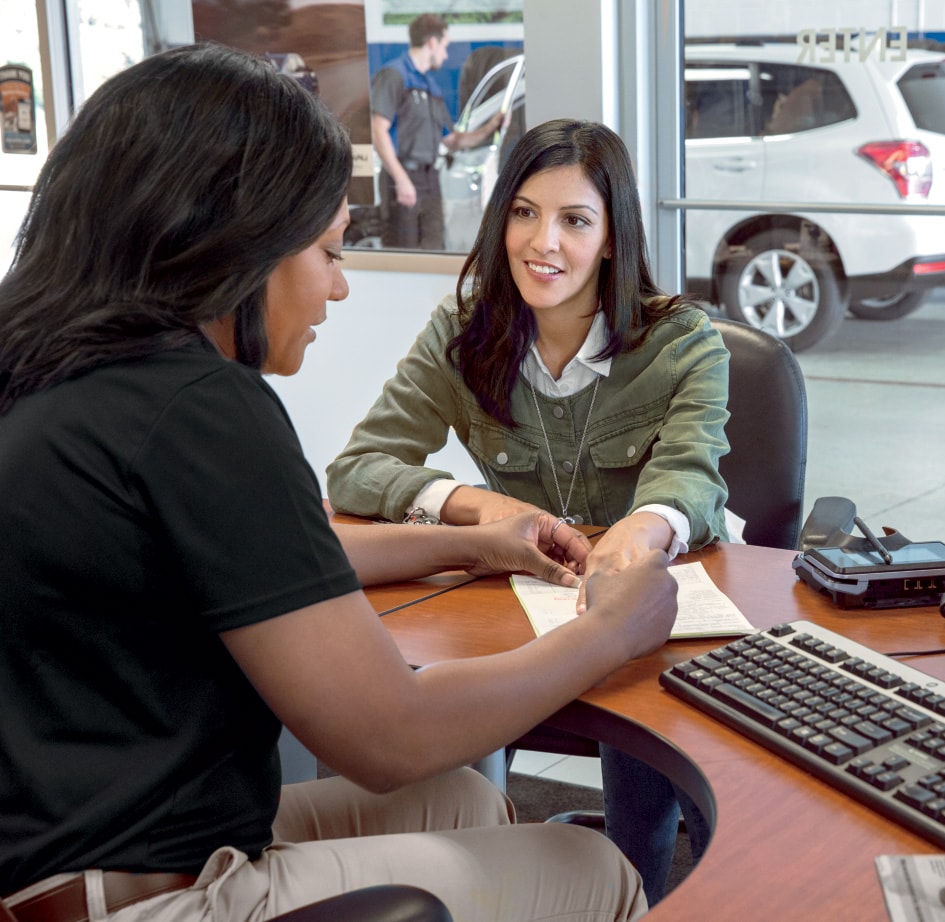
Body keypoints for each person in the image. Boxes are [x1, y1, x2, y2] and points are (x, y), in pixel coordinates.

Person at [0, 44, 674, 922]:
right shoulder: (200, 405)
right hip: (145, 889)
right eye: (328, 251)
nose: (342, 288)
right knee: (588, 865)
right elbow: (389, 735)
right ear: (235, 245)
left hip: (65, 847)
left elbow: (272, 568)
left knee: (462, 802)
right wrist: (610, 631)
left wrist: (472, 540)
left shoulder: (69, 371)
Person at [326, 117, 731, 903]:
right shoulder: (465, 330)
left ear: (613, 237)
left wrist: (634, 539)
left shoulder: (683, 342)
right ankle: (502, 883)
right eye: (523, 212)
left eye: (575, 219)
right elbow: (356, 470)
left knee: (646, 731)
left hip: (660, 600)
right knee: (444, 710)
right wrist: (476, 506)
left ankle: (644, 886)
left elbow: (691, 481)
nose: (542, 242)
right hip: (525, 602)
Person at [371, 14, 500, 249]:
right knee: (404, 252)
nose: (446, 54)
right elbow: (379, 130)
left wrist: (491, 127)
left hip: (430, 180)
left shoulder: (430, 85)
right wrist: (401, 180)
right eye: (444, 46)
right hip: (403, 177)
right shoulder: (394, 76)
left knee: (435, 246)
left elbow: (452, 140)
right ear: (432, 42)